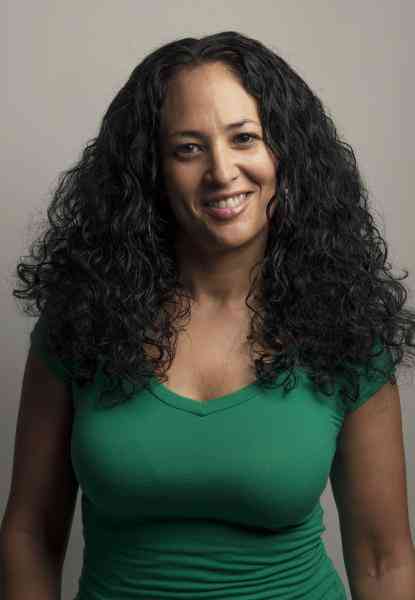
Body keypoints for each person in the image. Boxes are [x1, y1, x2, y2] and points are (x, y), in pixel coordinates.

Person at [1, 30, 415, 600]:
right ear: (151, 169)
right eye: (188, 148)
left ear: (286, 153)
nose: (222, 171)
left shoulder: (345, 325)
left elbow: (383, 561)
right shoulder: (83, 320)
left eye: (244, 138)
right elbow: (29, 537)